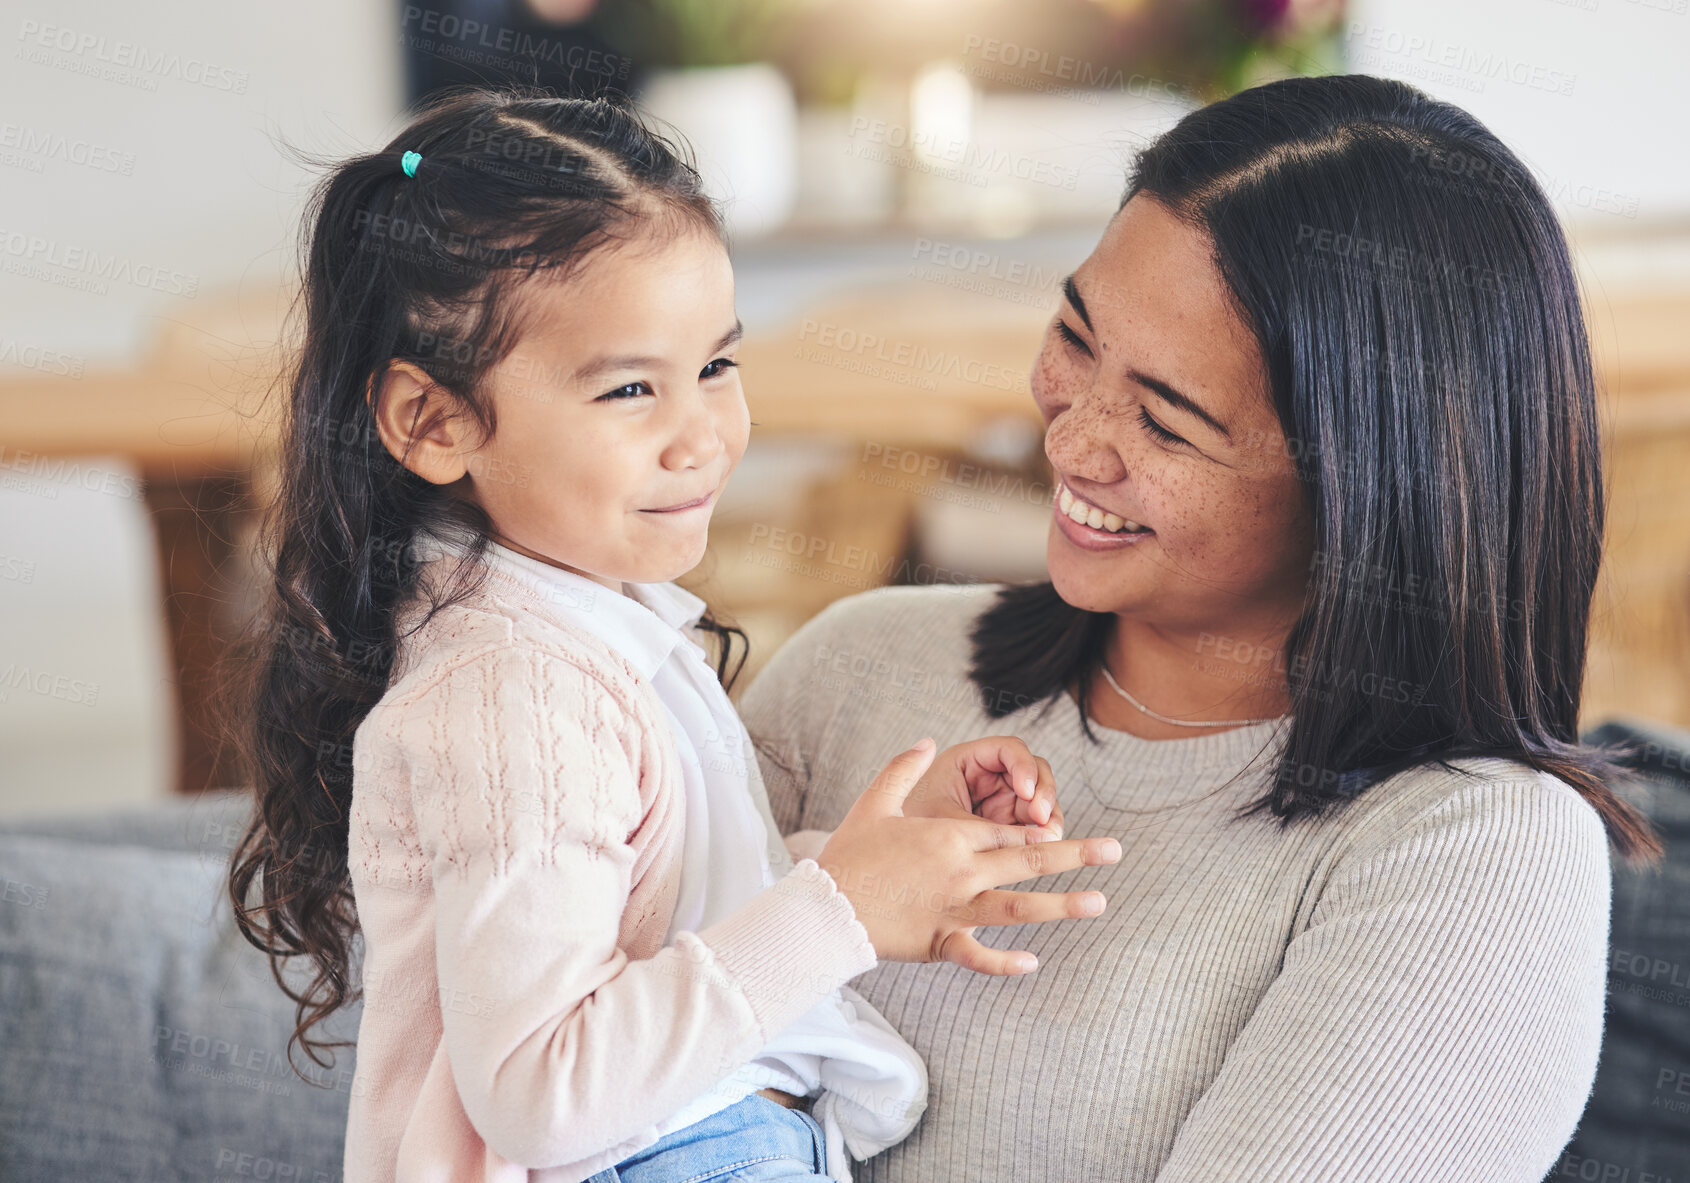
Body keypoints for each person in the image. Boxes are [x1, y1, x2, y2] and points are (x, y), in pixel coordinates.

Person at [740, 73, 1662, 1182]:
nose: (1073, 442)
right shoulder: (859, 668)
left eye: (1168, 423)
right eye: (1075, 338)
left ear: (1366, 489)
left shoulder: (1473, 851)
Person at [225, 90, 1123, 1183]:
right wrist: (837, 914)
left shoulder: (574, 632)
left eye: (714, 367)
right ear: (432, 420)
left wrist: (872, 872)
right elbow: (546, 1094)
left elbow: (647, 916)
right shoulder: (511, 696)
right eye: (630, 388)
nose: (700, 434)